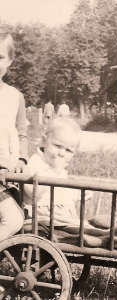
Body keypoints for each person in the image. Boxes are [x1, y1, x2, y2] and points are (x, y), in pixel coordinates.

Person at [0, 25, 28, 241]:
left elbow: (21, 132)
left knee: (23, 217)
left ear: (10, 60)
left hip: (8, 178)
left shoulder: (15, 96)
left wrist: (20, 158)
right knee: (13, 220)